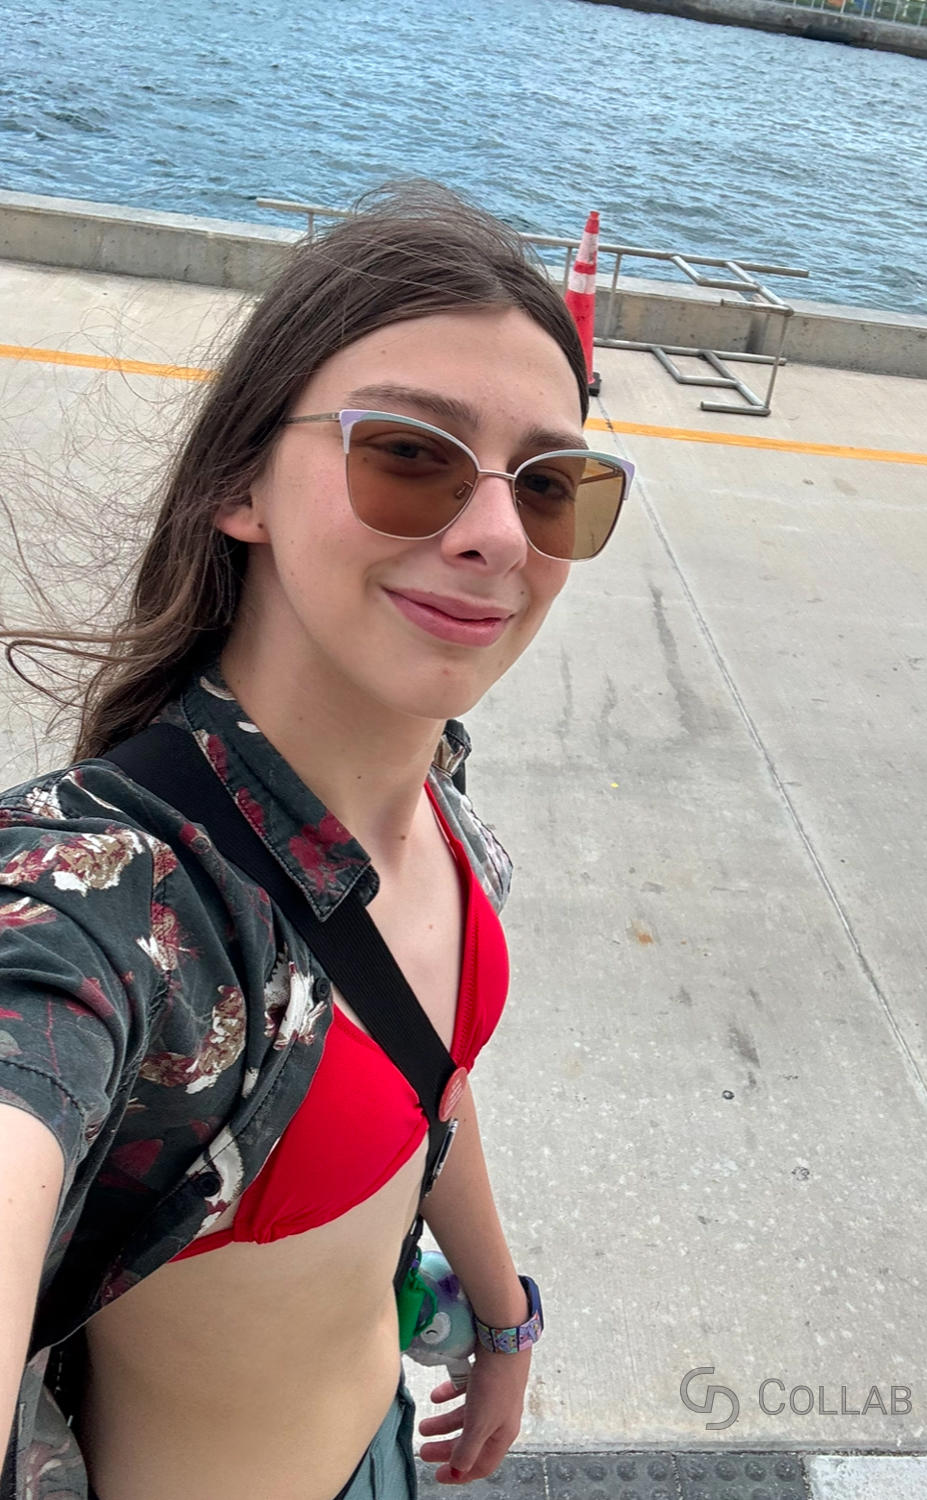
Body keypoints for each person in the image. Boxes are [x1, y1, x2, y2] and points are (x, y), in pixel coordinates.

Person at [0, 181, 633, 1500]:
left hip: (385, 1446)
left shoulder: (439, 796)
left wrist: (505, 1319)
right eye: (407, 453)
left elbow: (429, 1077)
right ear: (241, 484)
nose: (497, 535)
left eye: (551, 485)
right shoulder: (122, 905)